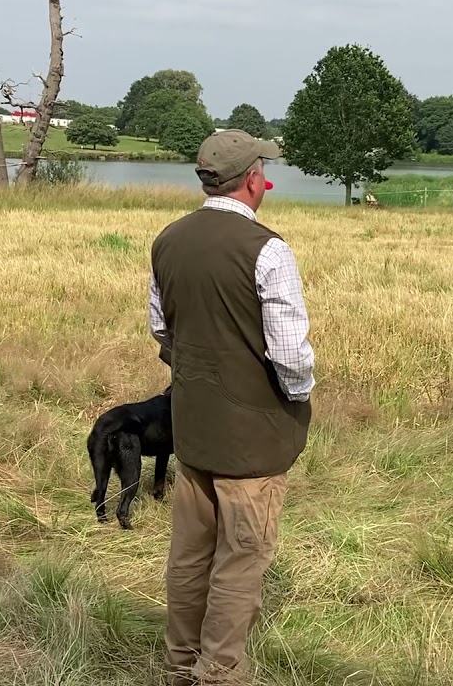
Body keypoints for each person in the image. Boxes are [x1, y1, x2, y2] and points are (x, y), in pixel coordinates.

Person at [149, 129, 316, 685]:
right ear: (252, 179)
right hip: (252, 443)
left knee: (190, 557)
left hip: (192, 431)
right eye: (263, 173)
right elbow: (291, 357)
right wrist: (296, 400)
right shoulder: (268, 249)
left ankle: (178, 665)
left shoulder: (168, 241)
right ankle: (218, 674)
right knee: (240, 562)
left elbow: (161, 330)